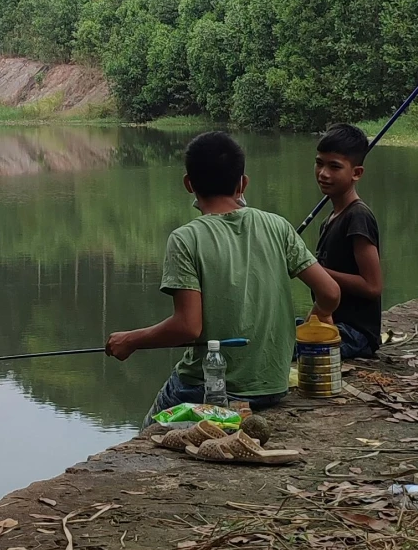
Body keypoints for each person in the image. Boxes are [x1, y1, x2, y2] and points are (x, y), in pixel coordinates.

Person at [105, 128, 340, 412]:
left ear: (188, 184)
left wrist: (131, 340)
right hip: (273, 387)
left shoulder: (185, 238)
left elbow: (188, 327)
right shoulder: (277, 225)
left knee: (149, 435)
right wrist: (320, 316)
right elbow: (329, 292)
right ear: (243, 183)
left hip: (209, 388)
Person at [312, 122, 383, 362]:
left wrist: (316, 272)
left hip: (356, 333)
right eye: (319, 163)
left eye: (335, 167)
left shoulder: (358, 216)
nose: (323, 173)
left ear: (356, 173)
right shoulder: (331, 219)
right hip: (332, 323)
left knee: (283, 346)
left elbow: (372, 286)